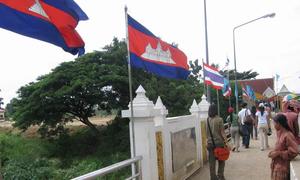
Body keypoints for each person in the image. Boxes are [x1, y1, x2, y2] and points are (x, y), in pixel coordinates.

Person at [268, 114, 298, 180]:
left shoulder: (288, 135)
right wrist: (273, 152)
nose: (274, 125)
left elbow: (294, 152)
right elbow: (280, 147)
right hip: (277, 167)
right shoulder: (280, 133)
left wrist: (278, 153)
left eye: (274, 123)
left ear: (279, 123)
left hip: (283, 168)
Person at [206, 104, 228, 180]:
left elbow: (206, 133)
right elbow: (222, 133)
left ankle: (213, 177)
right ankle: (220, 176)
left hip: (210, 144)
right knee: (221, 160)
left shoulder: (207, 120)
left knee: (212, 163)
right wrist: (227, 143)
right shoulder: (220, 119)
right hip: (219, 143)